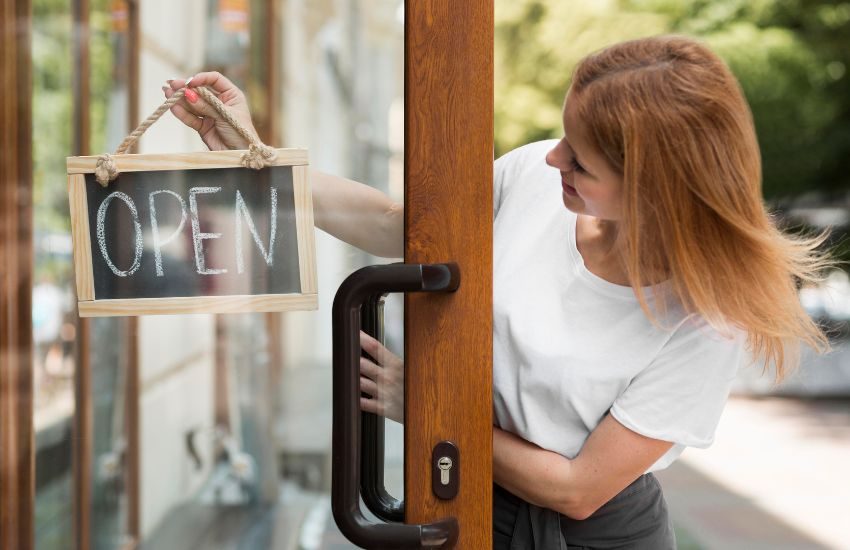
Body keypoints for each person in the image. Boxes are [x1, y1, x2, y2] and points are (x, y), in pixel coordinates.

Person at [164, 34, 833, 549]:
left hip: (583, 536)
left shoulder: (708, 320)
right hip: (460, 494)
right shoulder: (536, 182)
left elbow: (577, 491)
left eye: (580, 158)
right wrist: (249, 149)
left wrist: (427, 406)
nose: (552, 159)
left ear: (653, 187)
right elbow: (396, 226)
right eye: (565, 137)